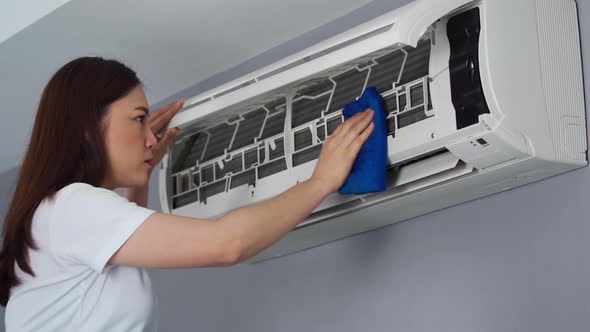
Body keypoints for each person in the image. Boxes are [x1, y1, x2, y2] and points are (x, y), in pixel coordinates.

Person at [0, 57, 375, 331]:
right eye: (138, 119)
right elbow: (227, 243)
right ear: (88, 127)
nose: (150, 137)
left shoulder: (60, 217)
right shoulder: (71, 206)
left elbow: (124, 247)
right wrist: (320, 181)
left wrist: (140, 175)